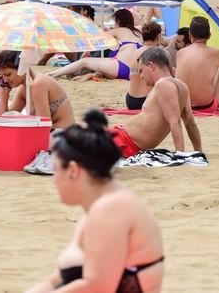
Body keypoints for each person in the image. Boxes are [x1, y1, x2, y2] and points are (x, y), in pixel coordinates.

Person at [25, 110, 165, 292]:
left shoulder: (111, 209)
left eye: (57, 170)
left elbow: (99, 285)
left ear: (73, 170)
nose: (54, 179)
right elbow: (56, 279)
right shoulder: (100, 208)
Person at [0, 50, 76, 154]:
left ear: (22, 68)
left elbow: (43, 127)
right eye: (2, 76)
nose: (6, 80)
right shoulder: (25, 88)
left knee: (7, 124)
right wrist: (4, 94)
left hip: (61, 139)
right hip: (50, 137)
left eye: (8, 74)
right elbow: (2, 119)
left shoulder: (38, 84)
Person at [109, 48, 202, 158]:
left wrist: (180, 154)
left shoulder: (162, 84)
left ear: (151, 66)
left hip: (125, 141)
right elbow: (190, 122)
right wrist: (198, 151)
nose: (141, 76)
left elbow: (174, 121)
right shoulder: (182, 86)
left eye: (141, 70)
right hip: (123, 138)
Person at [48, 9, 143, 81]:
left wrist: (87, 51)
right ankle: (90, 76)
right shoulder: (138, 33)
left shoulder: (119, 30)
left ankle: (52, 74)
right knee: (104, 66)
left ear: (118, 21)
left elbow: (97, 39)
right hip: (133, 72)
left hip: (121, 67)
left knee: (84, 61)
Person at [176, 16, 219, 112]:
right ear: (209, 35)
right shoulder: (218, 54)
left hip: (182, 106)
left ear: (190, 35)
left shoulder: (180, 53)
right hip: (206, 106)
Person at [126, 22, 167, 110]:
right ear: (159, 36)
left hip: (131, 100)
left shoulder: (135, 53)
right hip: (146, 101)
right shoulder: (160, 53)